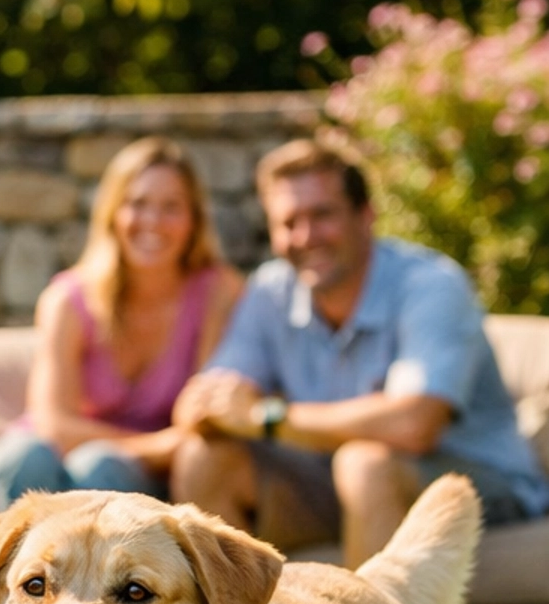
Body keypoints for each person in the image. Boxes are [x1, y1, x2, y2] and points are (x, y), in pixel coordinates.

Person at [170, 134, 549, 566]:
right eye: (289, 222)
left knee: (364, 464)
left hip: (476, 483)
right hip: (332, 483)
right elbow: (198, 407)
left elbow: (414, 424)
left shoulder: (430, 286)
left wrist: (266, 416)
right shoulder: (269, 292)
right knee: (201, 459)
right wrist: (220, 407)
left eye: (322, 215)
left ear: (365, 215)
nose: (306, 236)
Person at [0, 136, 243, 515]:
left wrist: (143, 450)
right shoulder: (68, 298)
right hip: (43, 461)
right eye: (138, 204)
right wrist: (156, 445)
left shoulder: (217, 293)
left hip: (127, 476)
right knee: (26, 458)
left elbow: (203, 418)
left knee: (100, 467)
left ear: (194, 219)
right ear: (113, 213)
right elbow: (52, 425)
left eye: (171, 207)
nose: (152, 221)